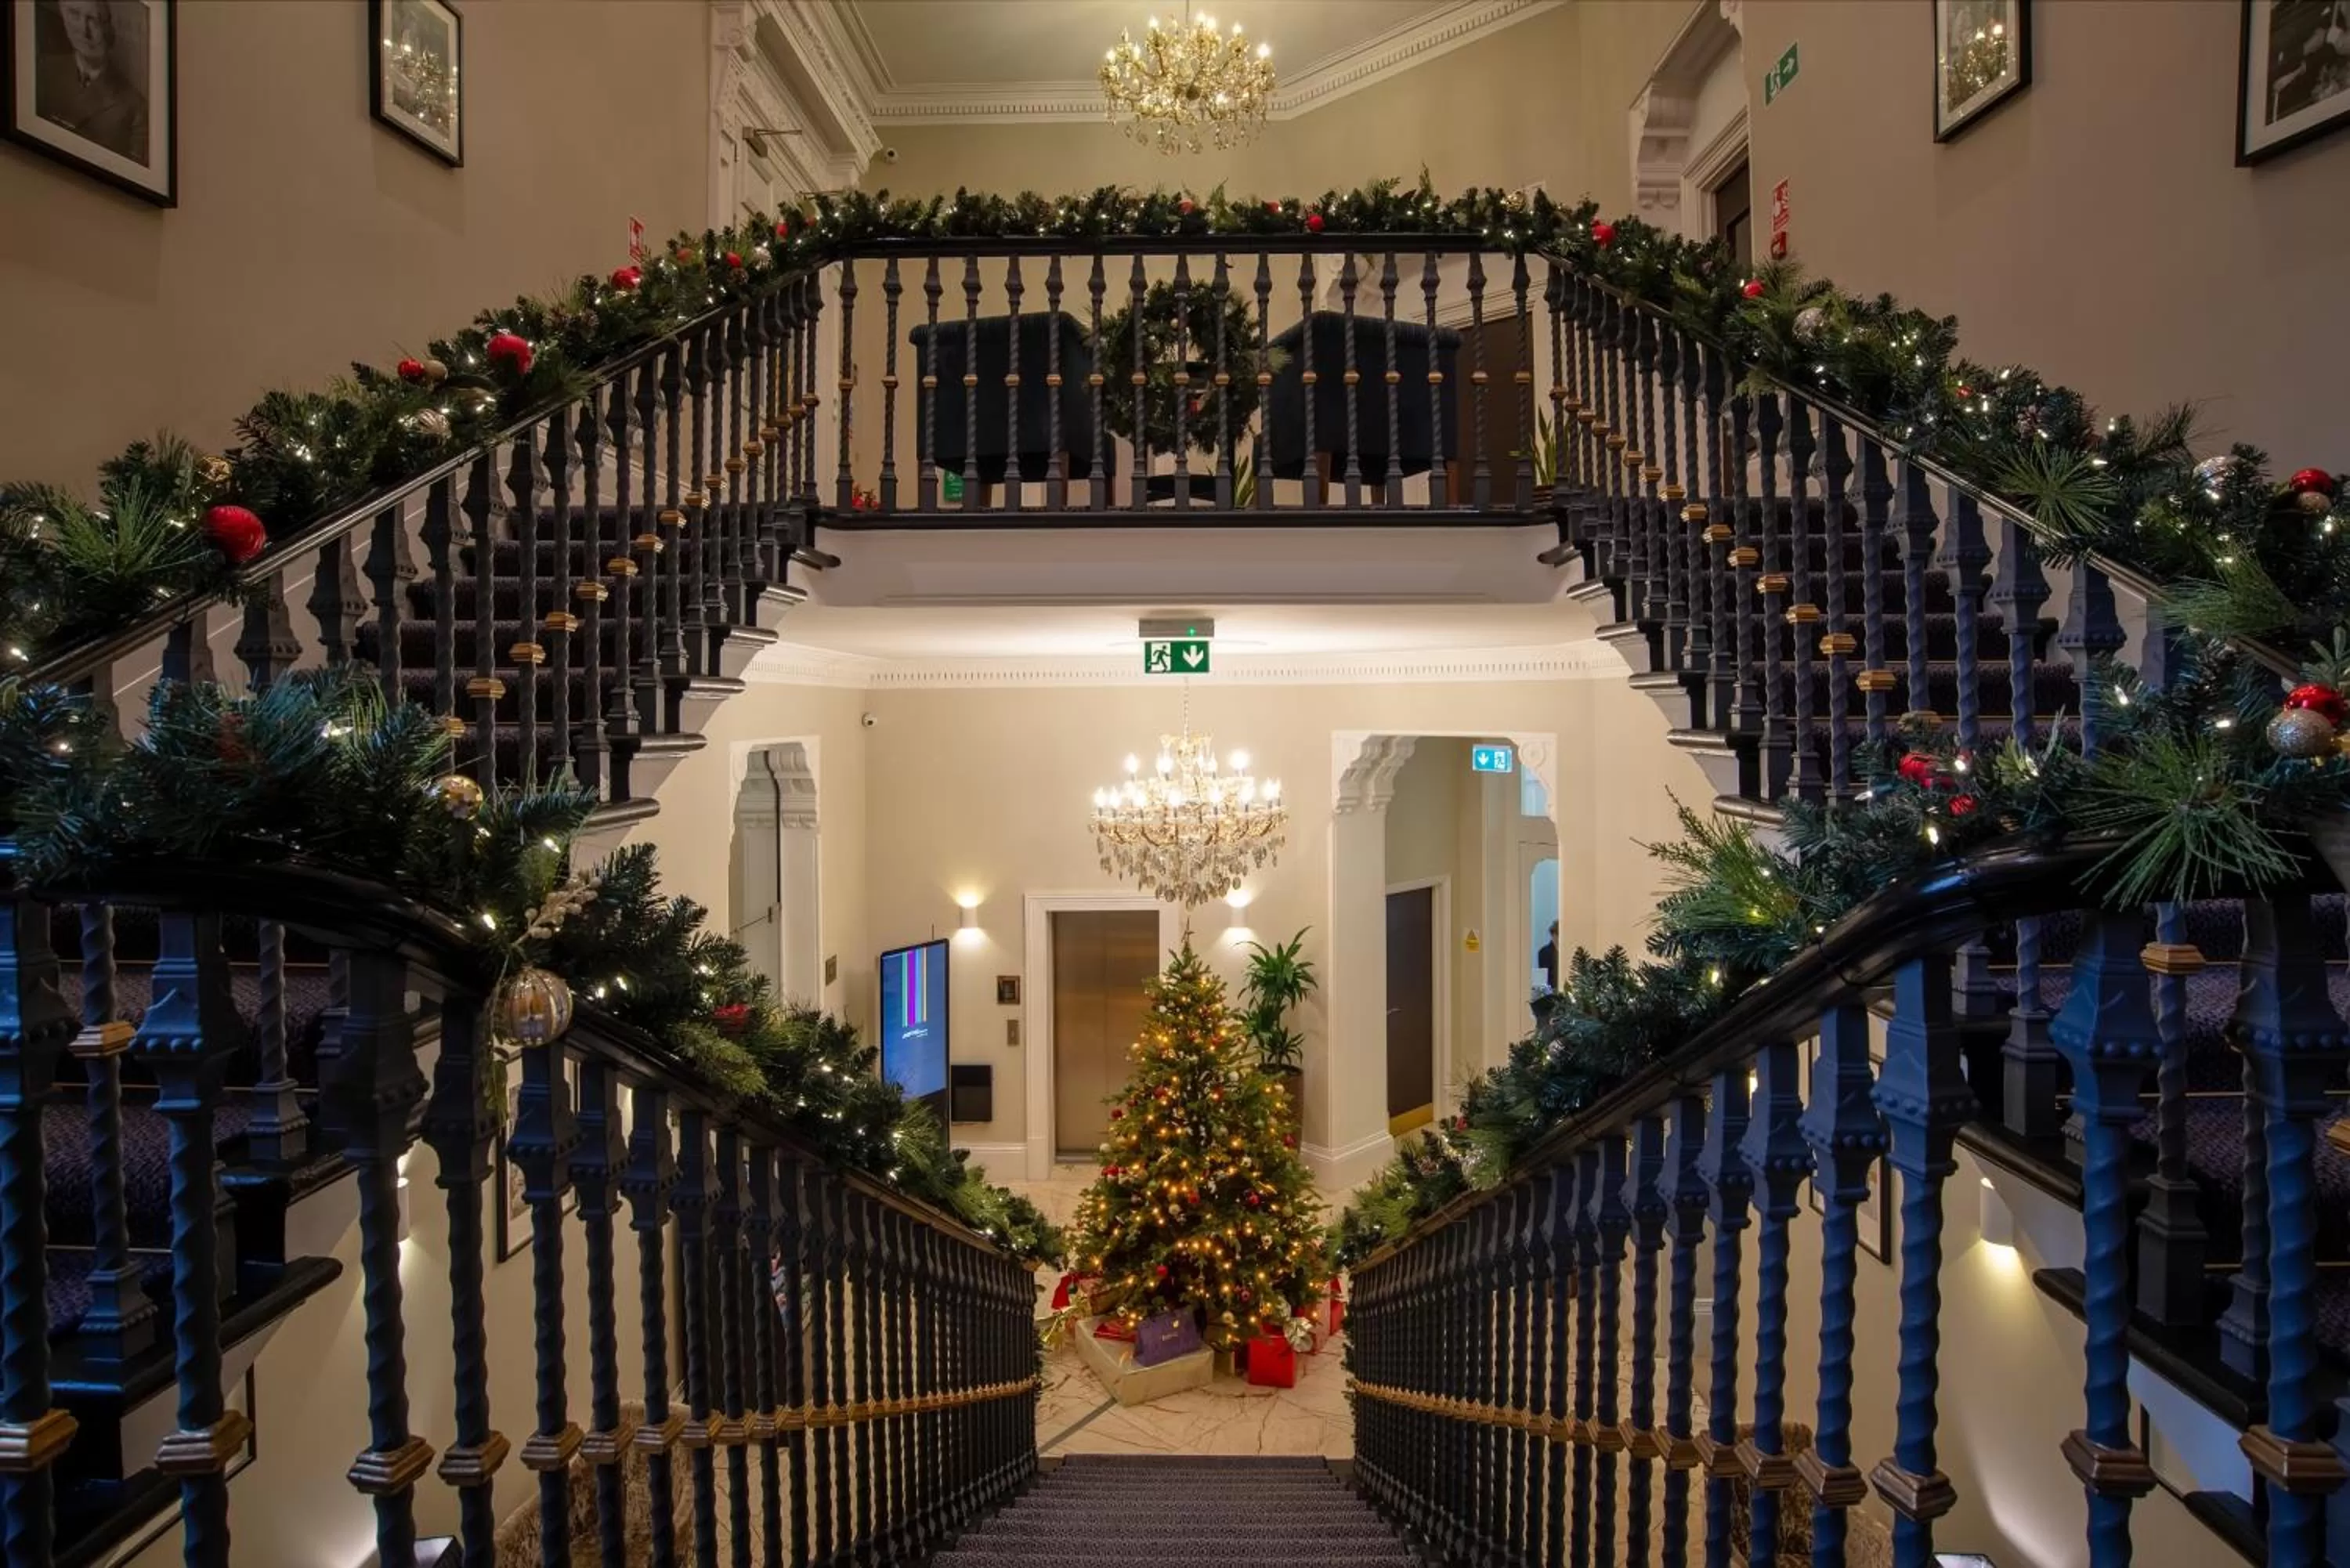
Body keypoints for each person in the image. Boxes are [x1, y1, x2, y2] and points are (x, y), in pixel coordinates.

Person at [37, 0, 147, 164]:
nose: (84, 30)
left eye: (93, 20)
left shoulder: (135, 106)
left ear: (109, 30)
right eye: (74, 15)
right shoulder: (43, 69)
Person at [1537, 920, 1559, 994]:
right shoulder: (1544, 952)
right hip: (1551, 992)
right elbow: (1544, 978)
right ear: (1553, 935)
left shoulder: (1567, 951)